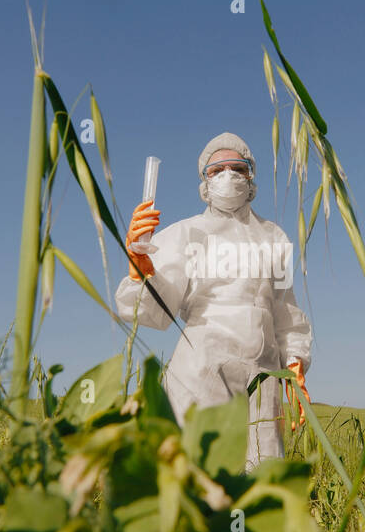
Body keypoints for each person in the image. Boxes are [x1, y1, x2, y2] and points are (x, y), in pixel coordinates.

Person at [115, 132, 312, 471]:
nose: (227, 175)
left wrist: (294, 361)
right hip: (200, 368)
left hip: (262, 374)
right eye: (216, 169)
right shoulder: (185, 234)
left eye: (237, 167)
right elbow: (155, 312)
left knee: (261, 477)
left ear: (251, 176)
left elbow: (285, 308)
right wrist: (141, 270)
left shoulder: (274, 237)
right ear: (204, 182)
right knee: (198, 470)